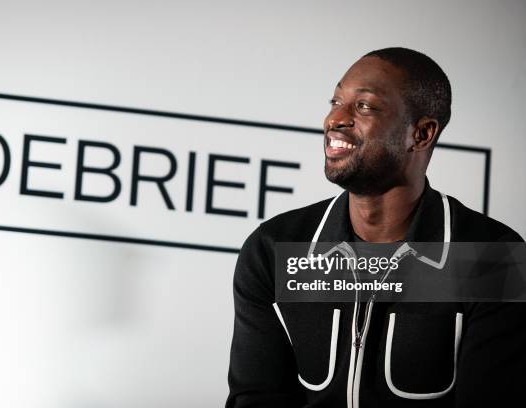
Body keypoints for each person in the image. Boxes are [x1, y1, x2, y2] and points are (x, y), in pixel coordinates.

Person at [225, 47, 526, 408]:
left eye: (364, 106)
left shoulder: (491, 259)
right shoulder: (275, 248)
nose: (334, 118)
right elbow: (256, 398)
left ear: (422, 133)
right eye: (335, 100)